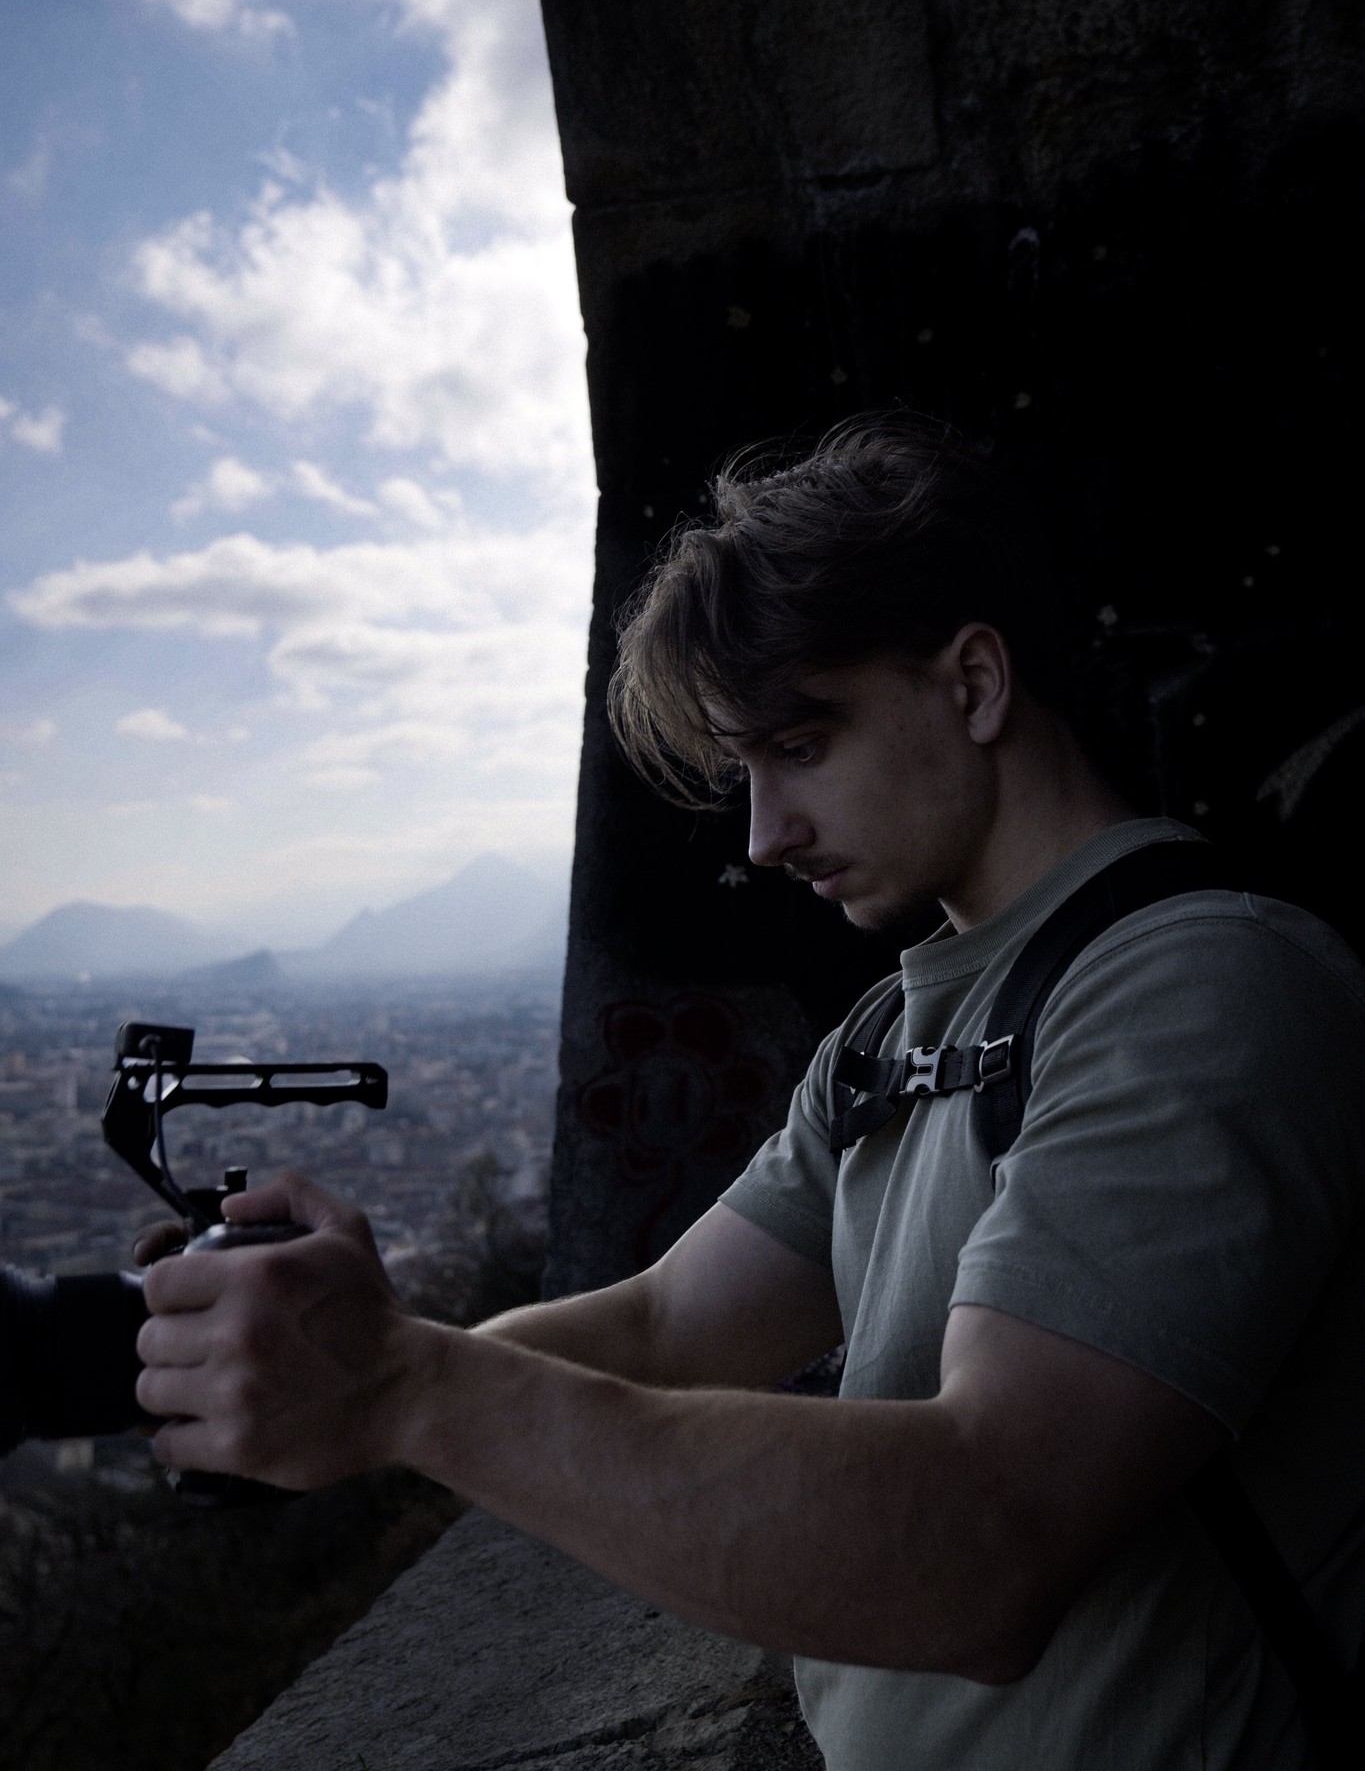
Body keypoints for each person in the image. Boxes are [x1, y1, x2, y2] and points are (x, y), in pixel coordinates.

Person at [135, 418, 1365, 1770]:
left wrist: (406, 1391)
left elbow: (985, 1537)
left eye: (801, 744)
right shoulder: (889, 1033)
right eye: (746, 772)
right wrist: (338, 1359)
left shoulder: (1200, 985)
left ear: (970, 683)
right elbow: (666, 1320)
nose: (763, 835)